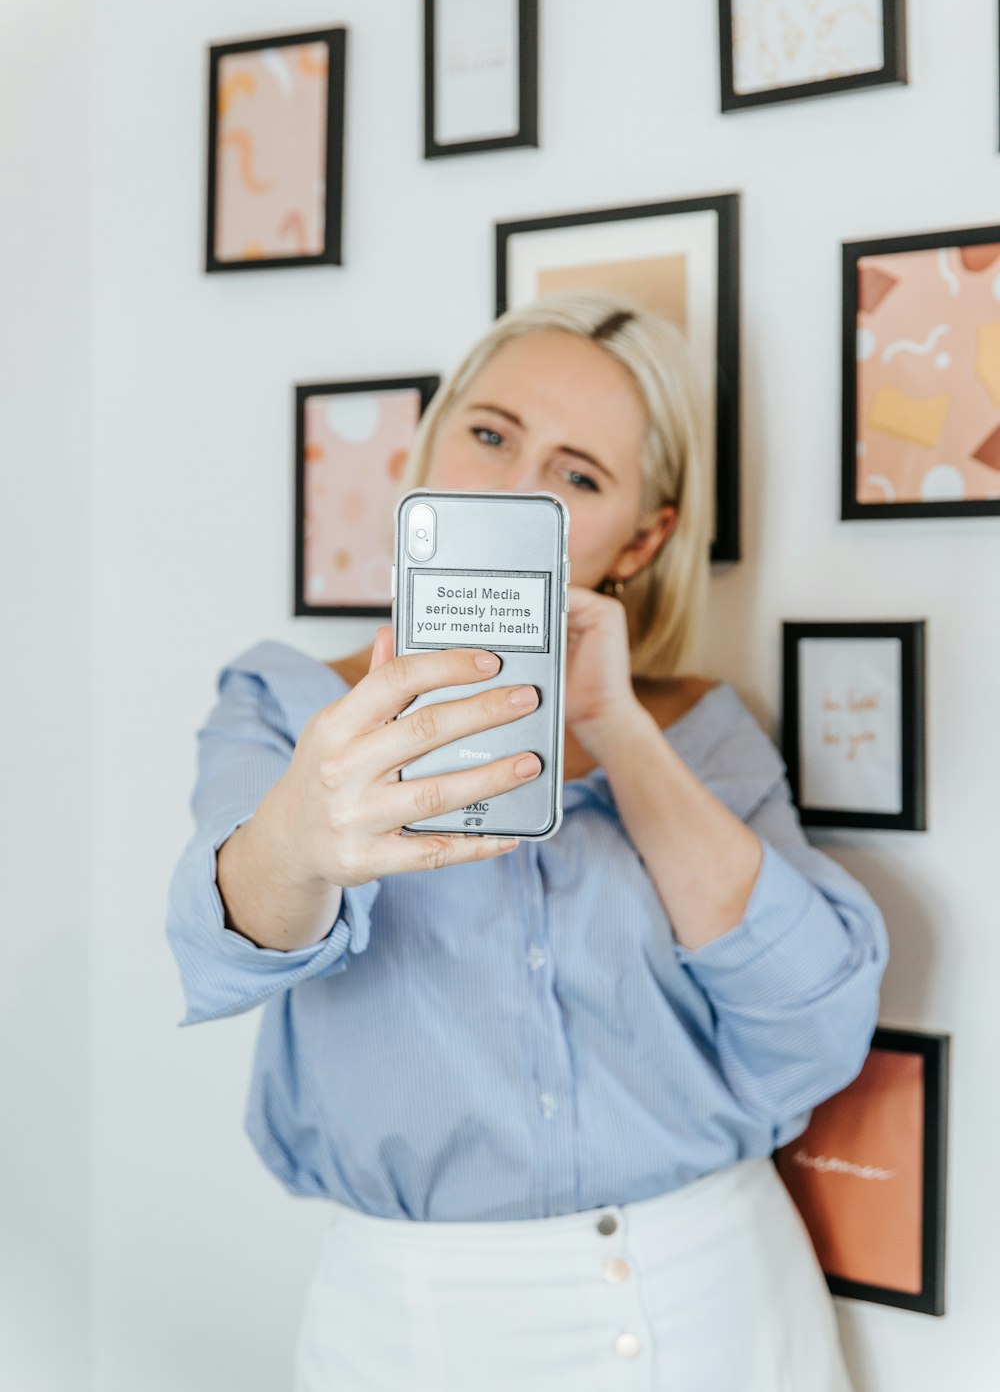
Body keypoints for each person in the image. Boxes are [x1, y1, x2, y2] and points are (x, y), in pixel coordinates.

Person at [166, 290, 888, 1392]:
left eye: (577, 474)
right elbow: (222, 942)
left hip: (724, 1296)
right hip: (425, 1328)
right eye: (491, 434)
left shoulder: (700, 732)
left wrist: (615, 730)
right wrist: (303, 839)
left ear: (639, 538)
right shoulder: (291, 708)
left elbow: (814, 1029)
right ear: (429, 443)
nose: (512, 487)